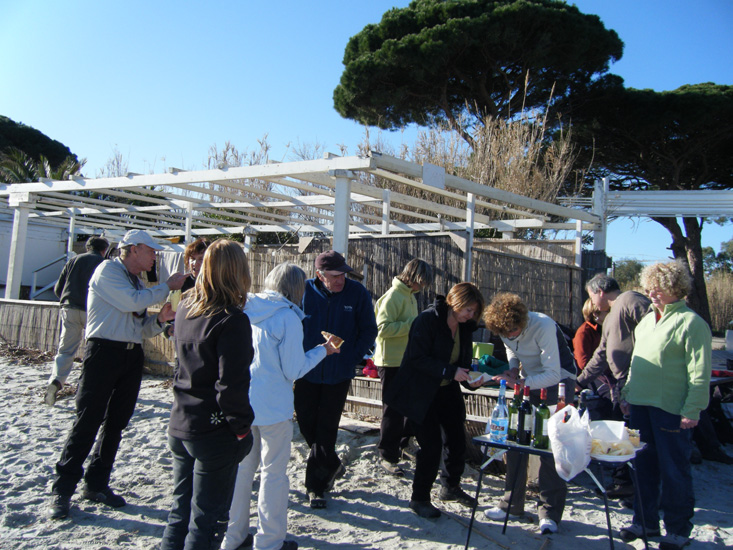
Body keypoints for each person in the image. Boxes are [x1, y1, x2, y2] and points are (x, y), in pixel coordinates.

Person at [49, 230, 187, 520]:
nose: (154, 257)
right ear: (134, 249)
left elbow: (141, 328)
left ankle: (96, 483)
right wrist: (168, 286)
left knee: (116, 423)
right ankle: (62, 490)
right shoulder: (108, 271)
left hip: (130, 355)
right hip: (103, 353)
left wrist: (160, 320)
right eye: (151, 251)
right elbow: (131, 303)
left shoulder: (135, 281)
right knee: (87, 420)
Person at [223, 263, 341, 550]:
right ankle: (269, 541)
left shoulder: (247, 308)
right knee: (273, 475)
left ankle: (233, 536)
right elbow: (294, 369)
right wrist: (323, 350)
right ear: (297, 288)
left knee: (242, 472)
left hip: (244, 401)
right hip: (274, 408)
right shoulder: (287, 317)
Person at [160, 239, 256, 550]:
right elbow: (231, 385)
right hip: (213, 430)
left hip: (181, 419)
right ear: (239, 272)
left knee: (180, 513)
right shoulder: (232, 319)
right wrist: (241, 428)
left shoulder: (186, 307)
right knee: (207, 522)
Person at [619, 261, 712, 550]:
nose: (652, 293)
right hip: (639, 407)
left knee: (674, 470)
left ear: (676, 288)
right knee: (641, 466)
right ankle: (644, 522)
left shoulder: (692, 323)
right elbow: (636, 363)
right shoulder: (647, 321)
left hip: (671, 409)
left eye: (658, 288)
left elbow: (700, 372)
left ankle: (678, 530)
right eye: (650, 288)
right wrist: (627, 394)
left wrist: (693, 409)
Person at [385, 282, 485, 519]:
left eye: (474, 312)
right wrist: (450, 371)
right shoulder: (427, 320)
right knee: (431, 446)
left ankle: (450, 487)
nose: (470, 316)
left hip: (446, 388)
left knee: (457, 439)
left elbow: (462, 362)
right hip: (419, 390)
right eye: (468, 310)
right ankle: (419, 498)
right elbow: (416, 358)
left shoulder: (465, 327)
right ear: (455, 302)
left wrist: (471, 380)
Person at [482, 293, 576, 535]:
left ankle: (549, 513)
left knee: (550, 446)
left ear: (522, 320)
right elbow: (512, 350)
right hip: (528, 380)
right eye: (505, 333)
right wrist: (514, 370)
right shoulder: (505, 330)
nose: (511, 335)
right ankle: (511, 505)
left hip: (559, 382)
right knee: (516, 439)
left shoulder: (543, 325)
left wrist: (519, 383)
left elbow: (553, 374)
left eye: (514, 330)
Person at [294, 250, 378, 509]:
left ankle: (316, 487)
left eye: (343, 274)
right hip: (306, 370)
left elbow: (369, 330)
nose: (341, 279)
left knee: (326, 429)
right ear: (319, 275)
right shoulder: (303, 291)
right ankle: (331, 462)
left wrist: (351, 357)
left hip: (339, 373)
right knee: (306, 424)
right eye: (334, 276)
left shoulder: (357, 292)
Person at [577, 273, 651, 499]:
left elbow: (655, 328)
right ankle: (625, 483)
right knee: (624, 434)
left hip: (639, 380)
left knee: (639, 436)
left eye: (591, 295)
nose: (592, 301)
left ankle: (643, 489)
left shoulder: (629, 300)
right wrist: (580, 381)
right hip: (622, 384)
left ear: (600, 291)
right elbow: (600, 355)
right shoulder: (609, 317)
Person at [373, 259, 433, 477]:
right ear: (412, 276)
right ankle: (387, 456)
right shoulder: (393, 297)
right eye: (420, 282)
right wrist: (412, 325)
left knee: (409, 407)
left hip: (407, 360)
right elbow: (382, 329)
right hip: (390, 361)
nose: (421, 287)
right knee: (392, 411)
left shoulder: (410, 296)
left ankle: (404, 444)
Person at [45, 236, 109, 406]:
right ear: (104, 250)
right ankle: (86, 384)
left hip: (69, 308)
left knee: (65, 349)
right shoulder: (104, 264)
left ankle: (56, 380)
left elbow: (58, 288)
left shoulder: (73, 260)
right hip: (92, 310)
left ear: (87, 247)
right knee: (94, 349)